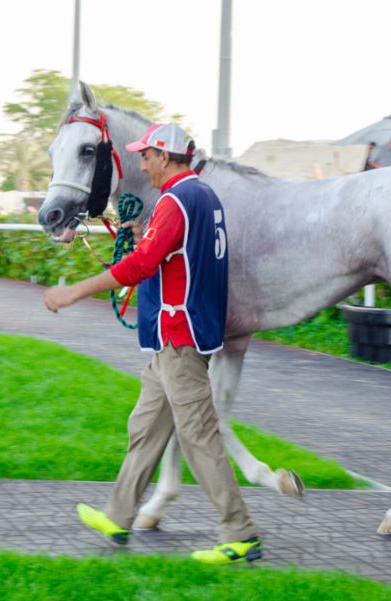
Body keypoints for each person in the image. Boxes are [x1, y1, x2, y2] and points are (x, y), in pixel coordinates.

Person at [43, 122, 261, 565]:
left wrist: (74, 292)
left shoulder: (176, 199)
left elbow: (140, 266)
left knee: (198, 436)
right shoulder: (203, 196)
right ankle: (119, 516)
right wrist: (150, 240)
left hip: (179, 337)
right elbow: (179, 254)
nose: (141, 163)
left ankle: (240, 534)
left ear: (166, 156)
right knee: (145, 428)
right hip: (174, 337)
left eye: (146, 155)